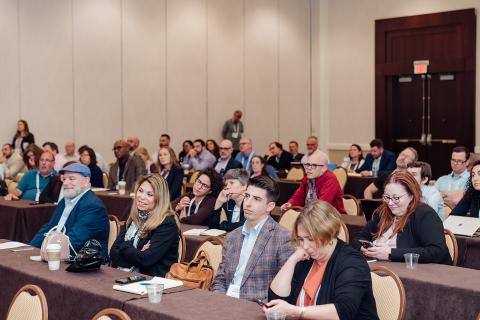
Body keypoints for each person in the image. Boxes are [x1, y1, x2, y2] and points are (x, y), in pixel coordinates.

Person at [265, 200, 378, 319]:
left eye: (311, 239)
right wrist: (292, 260)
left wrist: (296, 311)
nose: (305, 246)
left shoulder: (353, 263)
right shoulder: (307, 257)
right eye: (301, 239)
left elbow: (342, 312)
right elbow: (275, 300)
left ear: (328, 235)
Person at [211, 176, 292, 301]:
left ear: (270, 206)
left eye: (256, 199)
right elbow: (220, 279)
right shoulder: (232, 236)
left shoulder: (283, 237)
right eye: (247, 196)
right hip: (225, 303)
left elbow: (285, 288)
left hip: (256, 308)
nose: (248, 203)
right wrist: (220, 301)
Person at [357, 171, 451, 265]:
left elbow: (437, 252)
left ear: (411, 195)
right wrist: (362, 246)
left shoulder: (425, 215)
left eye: (396, 198)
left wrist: (390, 253)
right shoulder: (383, 211)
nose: (390, 203)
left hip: (415, 272)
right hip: (380, 267)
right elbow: (359, 238)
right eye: (387, 197)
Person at [30, 163, 109, 260]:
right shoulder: (65, 200)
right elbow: (50, 227)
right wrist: (31, 249)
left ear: (86, 181)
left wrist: (47, 251)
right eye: (64, 179)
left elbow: (75, 241)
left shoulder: (93, 206)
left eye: (71, 179)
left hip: (86, 264)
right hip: (62, 255)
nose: (66, 183)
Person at [110, 174, 180, 276]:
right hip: (129, 276)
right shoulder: (134, 218)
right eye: (140, 191)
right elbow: (113, 253)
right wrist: (136, 252)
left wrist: (125, 246)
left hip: (153, 282)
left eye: (149, 194)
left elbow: (146, 260)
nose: (142, 197)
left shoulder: (167, 223)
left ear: (159, 199)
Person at [281, 151, 346, 214]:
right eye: (308, 164)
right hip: (311, 215)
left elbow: (322, 205)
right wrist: (290, 204)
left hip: (331, 218)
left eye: (314, 165)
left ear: (323, 168)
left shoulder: (330, 179)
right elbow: (298, 196)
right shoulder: (307, 177)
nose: (309, 168)